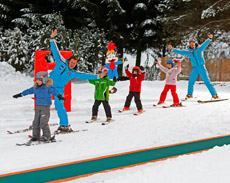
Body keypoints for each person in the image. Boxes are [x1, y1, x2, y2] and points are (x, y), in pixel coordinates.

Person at [49, 29, 97, 131]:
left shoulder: (74, 72)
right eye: (71, 62)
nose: (72, 64)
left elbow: (85, 75)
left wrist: (97, 77)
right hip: (48, 84)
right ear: (68, 60)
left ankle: (64, 125)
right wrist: (52, 39)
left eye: (74, 63)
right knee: (41, 102)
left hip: (58, 89)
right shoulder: (61, 61)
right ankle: (39, 122)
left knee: (60, 106)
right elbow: (55, 51)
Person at [13, 71, 65, 142]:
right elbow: (28, 91)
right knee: (35, 122)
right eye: (37, 79)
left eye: (39, 80)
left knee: (43, 122)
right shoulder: (35, 88)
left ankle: (47, 136)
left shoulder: (48, 87)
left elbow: (54, 91)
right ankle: (36, 136)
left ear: (44, 80)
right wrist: (20, 94)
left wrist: (59, 96)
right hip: (38, 107)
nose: (37, 81)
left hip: (45, 107)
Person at [168, 34, 219, 100]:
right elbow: (181, 52)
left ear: (195, 43)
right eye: (191, 43)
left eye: (193, 43)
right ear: (189, 44)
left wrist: (209, 38)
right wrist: (172, 49)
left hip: (201, 67)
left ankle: (214, 95)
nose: (192, 44)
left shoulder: (200, 49)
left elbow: (205, 44)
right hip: (195, 68)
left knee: (207, 81)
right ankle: (189, 95)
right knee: (191, 81)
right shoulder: (189, 51)